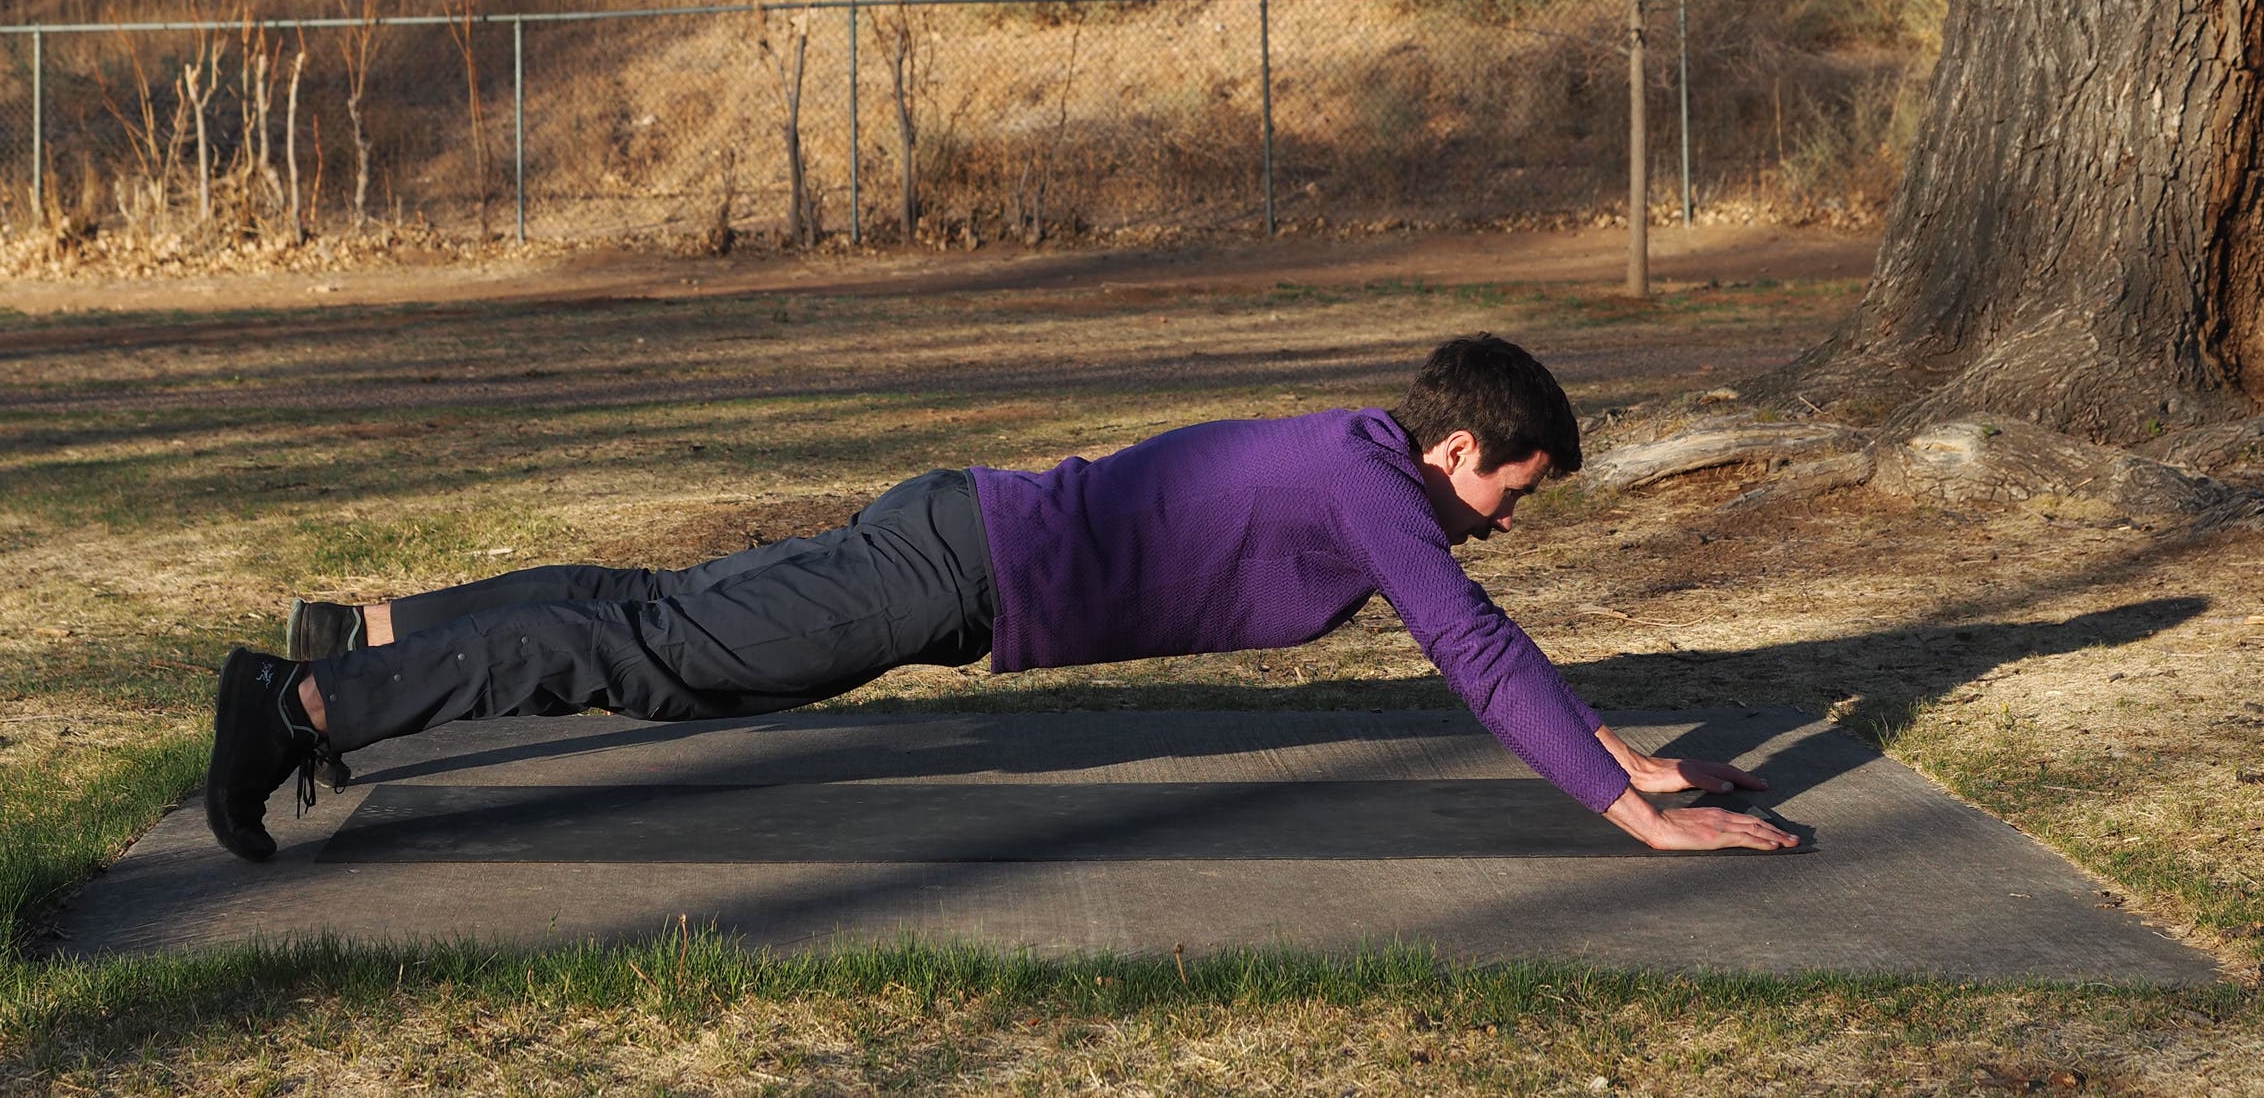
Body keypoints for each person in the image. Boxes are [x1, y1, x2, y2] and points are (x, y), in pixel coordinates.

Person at [206, 332, 1799, 861]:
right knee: (658, 654)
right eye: (1512, 488)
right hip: (951, 562)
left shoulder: (1361, 460)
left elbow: (1488, 636)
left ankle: (370, 636)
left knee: (649, 607)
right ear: (1463, 444)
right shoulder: (1378, 491)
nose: (1508, 520)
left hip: (956, 542)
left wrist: (1620, 744)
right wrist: (1620, 798)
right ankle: (301, 705)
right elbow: (1471, 645)